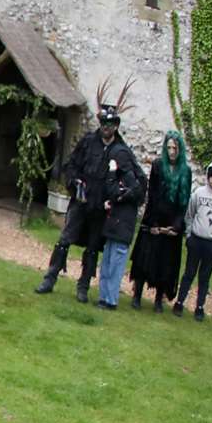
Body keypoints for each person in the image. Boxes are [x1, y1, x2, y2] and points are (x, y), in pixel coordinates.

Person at [37, 84, 135, 302]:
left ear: (116, 126)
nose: (106, 127)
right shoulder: (88, 142)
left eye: (110, 124)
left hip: (101, 208)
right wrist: (75, 182)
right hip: (81, 202)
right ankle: (50, 278)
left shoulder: (121, 151)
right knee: (64, 240)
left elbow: (128, 179)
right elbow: (71, 165)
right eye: (103, 123)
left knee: (92, 248)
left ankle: (83, 287)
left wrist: (116, 198)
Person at [129, 131, 191, 312]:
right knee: (145, 259)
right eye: (169, 147)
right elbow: (153, 195)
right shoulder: (157, 166)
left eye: (175, 148)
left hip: (172, 221)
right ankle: (137, 295)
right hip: (154, 217)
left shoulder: (185, 171)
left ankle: (158, 300)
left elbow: (184, 201)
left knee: (166, 261)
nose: (172, 152)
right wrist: (154, 223)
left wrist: (177, 225)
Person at [93, 132, 145, 311]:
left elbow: (117, 192)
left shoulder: (130, 178)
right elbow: (114, 193)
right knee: (107, 262)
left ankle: (111, 300)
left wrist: (113, 176)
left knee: (116, 265)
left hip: (123, 226)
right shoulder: (123, 177)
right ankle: (103, 297)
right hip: (113, 224)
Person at [175, 162, 212, 320]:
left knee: (204, 277)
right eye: (211, 176)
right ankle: (179, 302)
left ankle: (200, 307)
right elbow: (190, 214)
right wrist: (188, 235)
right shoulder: (199, 193)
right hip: (196, 239)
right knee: (189, 273)